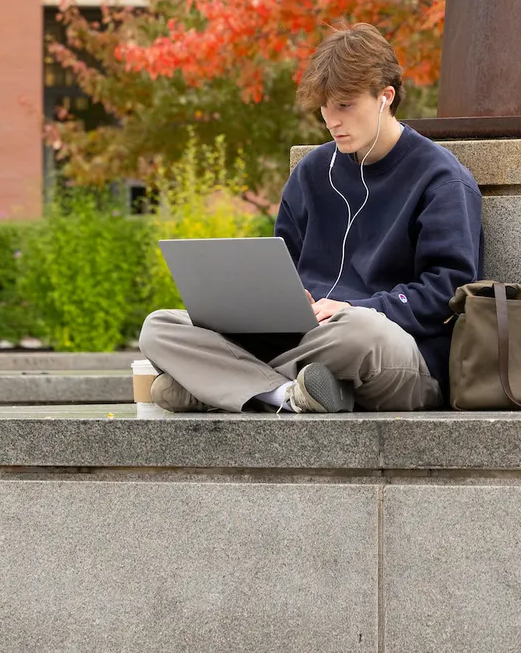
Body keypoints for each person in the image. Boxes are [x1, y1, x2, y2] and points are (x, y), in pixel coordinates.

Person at [140, 24, 483, 413]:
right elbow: (281, 268)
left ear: (386, 96)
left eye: (345, 105)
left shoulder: (441, 179)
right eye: (324, 107)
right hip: (305, 337)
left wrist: (361, 307)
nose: (331, 120)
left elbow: (449, 292)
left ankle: (223, 384)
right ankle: (288, 394)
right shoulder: (312, 172)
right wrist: (277, 303)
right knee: (159, 327)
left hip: (393, 350)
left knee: (360, 333)